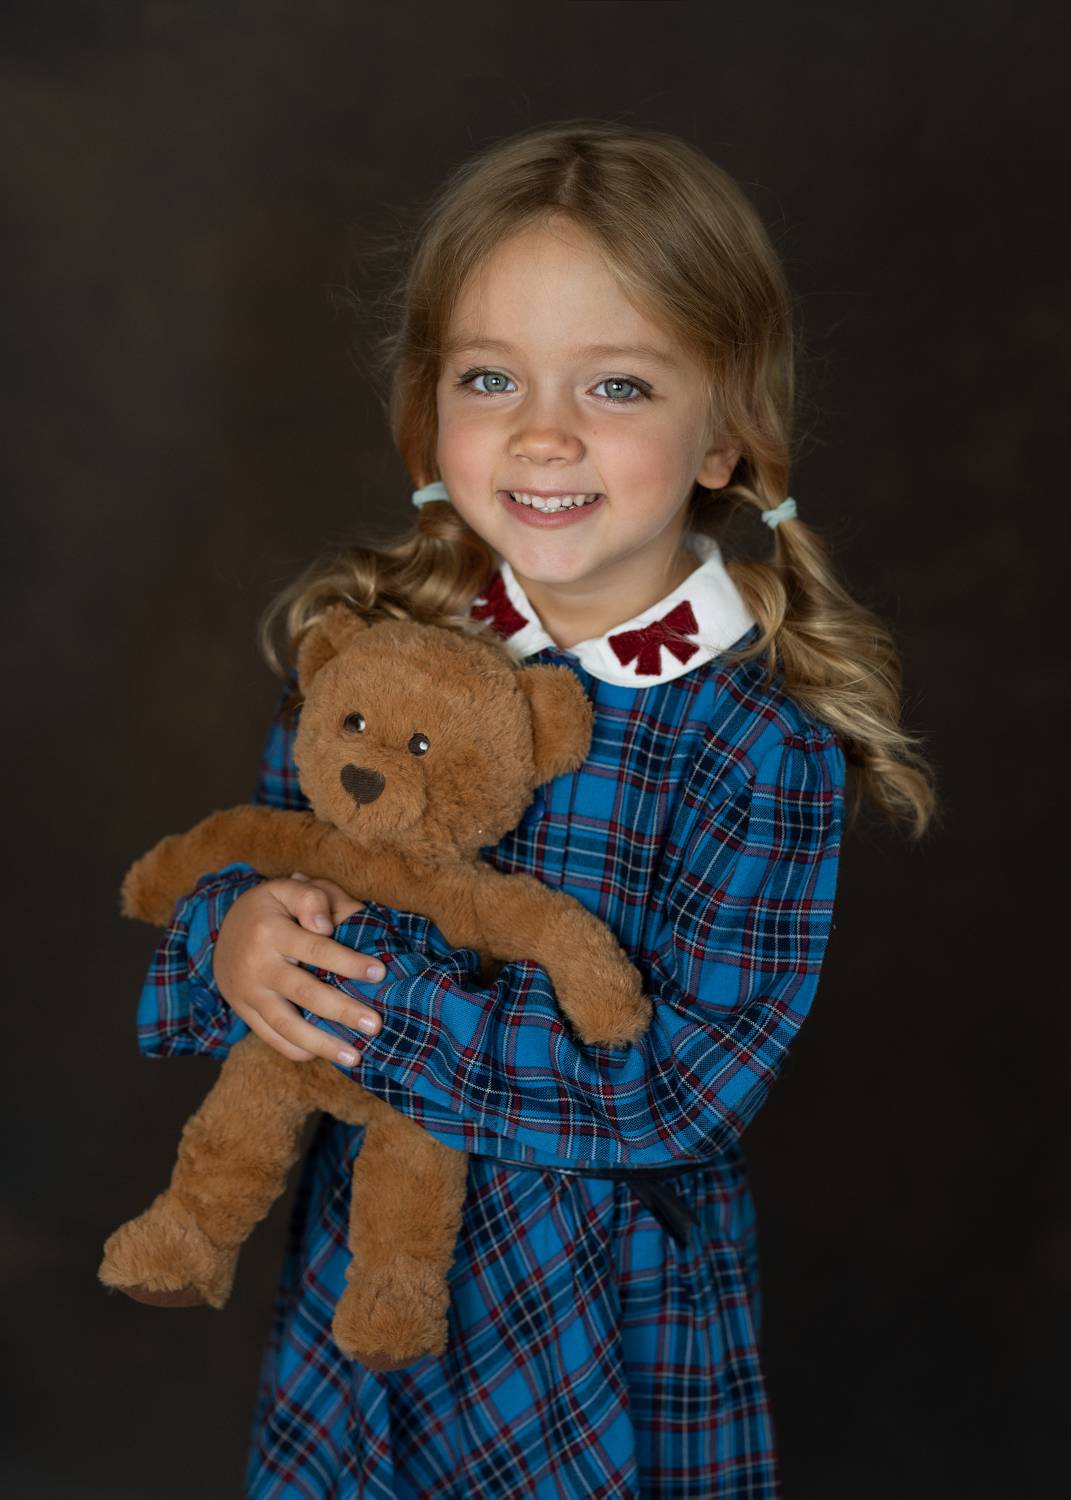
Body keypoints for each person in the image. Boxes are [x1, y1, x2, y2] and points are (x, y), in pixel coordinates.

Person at [135, 120, 936, 1498]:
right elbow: (284, 862)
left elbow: (677, 1092)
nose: (544, 433)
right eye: (491, 377)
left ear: (725, 436)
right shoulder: (376, 654)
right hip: (361, 1292)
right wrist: (237, 938)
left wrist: (372, 1016)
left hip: (583, 1321)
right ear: (429, 415)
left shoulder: (760, 749)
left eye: (618, 385)